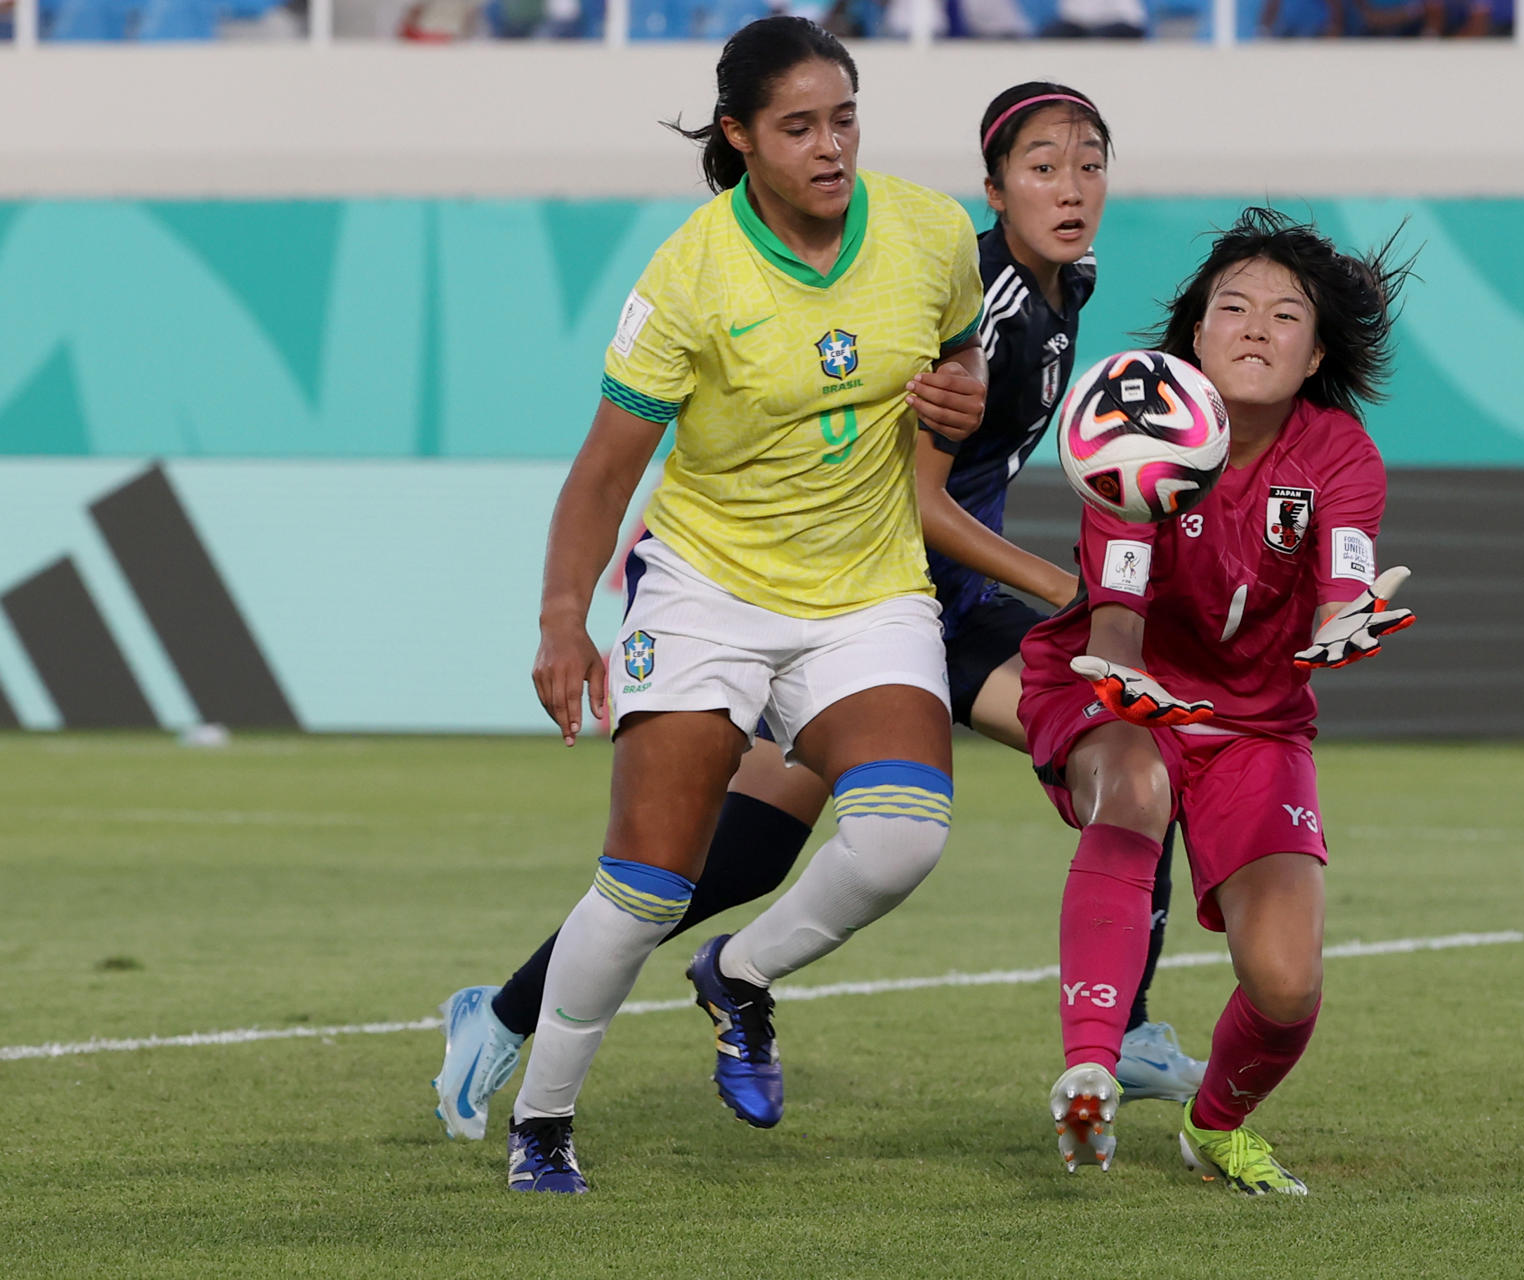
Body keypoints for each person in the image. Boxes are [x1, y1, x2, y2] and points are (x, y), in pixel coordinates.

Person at [433, 80, 1212, 1159]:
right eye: (1043, 167)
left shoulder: (1060, 285)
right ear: (992, 187)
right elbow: (925, 499)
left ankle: (1117, 1025)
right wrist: (1067, 591)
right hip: (883, 597)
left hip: (915, 601)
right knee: (701, 863)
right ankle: (516, 1014)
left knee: (1125, 757)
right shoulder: (973, 288)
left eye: (1090, 165)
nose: (1072, 188)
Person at [483, 15, 987, 1194]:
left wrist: (957, 396)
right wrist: (566, 619)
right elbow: (602, 475)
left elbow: (958, 357)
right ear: (740, 137)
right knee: (647, 879)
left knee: (904, 835)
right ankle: (544, 1119)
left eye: (845, 119)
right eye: (799, 126)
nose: (830, 148)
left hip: (866, 592)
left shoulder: (927, 234)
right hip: (710, 586)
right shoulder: (689, 275)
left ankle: (741, 974)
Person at [1018, 208, 1415, 1194]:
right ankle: (1090, 1066)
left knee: (1286, 982)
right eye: (1231, 306)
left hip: (1258, 723)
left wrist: (1345, 625)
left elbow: (1343, 587)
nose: (1253, 327)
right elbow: (1113, 623)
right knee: (1135, 780)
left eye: (1285, 315)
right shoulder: (1132, 427)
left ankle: (1216, 1122)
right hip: (1124, 687)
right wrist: (1127, 684)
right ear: (1194, 333)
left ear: (1315, 350)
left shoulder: (1339, 455)